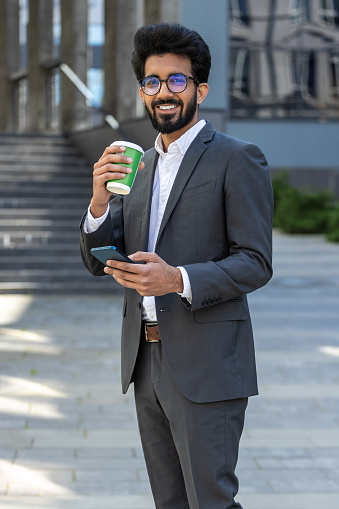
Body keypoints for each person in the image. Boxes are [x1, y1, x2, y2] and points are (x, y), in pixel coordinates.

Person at [80, 23, 273, 509]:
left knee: (210, 500)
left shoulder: (237, 158)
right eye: (152, 81)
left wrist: (177, 279)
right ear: (143, 90)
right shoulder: (139, 166)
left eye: (177, 81)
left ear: (200, 90)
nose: (163, 92)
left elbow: (255, 263)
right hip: (146, 363)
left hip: (206, 362)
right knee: (169, 502)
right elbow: (95, 261)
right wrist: (100, 203)